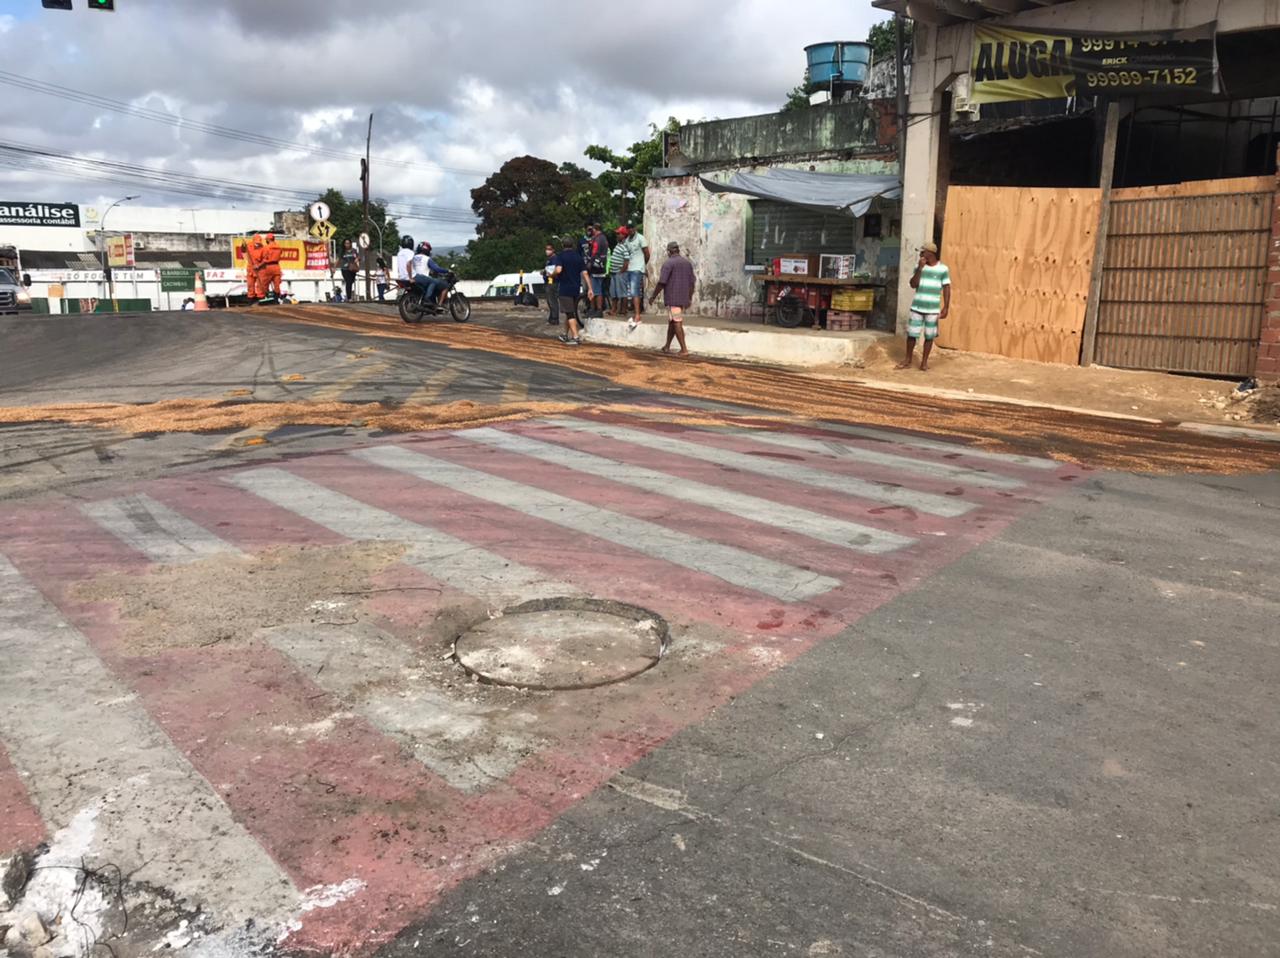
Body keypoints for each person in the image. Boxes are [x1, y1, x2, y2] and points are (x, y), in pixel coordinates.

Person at [898, 241, 951, 372]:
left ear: (930, 253)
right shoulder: (919, 266)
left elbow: (946, 288)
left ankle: (924, 362)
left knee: (929, 336)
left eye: (923, 252)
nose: (921, 254)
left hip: (932, 309)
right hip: (917, 307)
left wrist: (946, 307)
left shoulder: (943, 269)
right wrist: (920, 269)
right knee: (912, 334)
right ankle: (908, 359)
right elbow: (913, 284)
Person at [649, 241, 696, 357]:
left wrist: (653, 296)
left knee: (677, 322)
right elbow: (692, 282)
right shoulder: (687, 263)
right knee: (672, 321)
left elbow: (662, 282)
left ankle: (684, 349)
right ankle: (667, 346)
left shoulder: (668, 263)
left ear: (669, 251)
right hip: (683, 297)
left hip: (673, 297)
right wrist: (689, 297)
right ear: (678, 250)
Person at [549, 236, 592, 345]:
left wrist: (551, 274)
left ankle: (575, 336)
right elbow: (585, 273)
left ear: (562, 245)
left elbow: (558, 270)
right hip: (575, 288)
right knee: (570, 312)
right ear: (572, 245)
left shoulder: (561, 256)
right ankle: (565, 334)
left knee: (570, 314)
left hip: (565, 289)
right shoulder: (578, 257)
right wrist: (590, 288)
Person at [617, 224, 650, 324]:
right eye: (628, 228)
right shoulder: (627, 240)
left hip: (637, 268)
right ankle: (635, 313)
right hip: (630, 268)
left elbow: (647, 254)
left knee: (635, 291)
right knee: (631, 292)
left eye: (632, 228)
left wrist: (643, 265)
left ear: (635, 229)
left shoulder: (641, 238)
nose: (630, 230)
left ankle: (637, 315)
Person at [411, 241, 449, 310]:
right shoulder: (427, 258)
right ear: (427, 250)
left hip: (415, 278)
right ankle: (439, 305)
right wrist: (447, 271)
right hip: (424, 280)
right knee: (445, 285)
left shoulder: (414, 257)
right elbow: (436, 269)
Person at [585, 223, 609, 318]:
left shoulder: (597, 239)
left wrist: (589, 264)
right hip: (601, 267)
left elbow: (594, 253)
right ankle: (596, 309)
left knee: (595, 290)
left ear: (595, 229)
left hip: (595, 268)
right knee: (598, 289)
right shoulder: (604, 238)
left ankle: (596, 310)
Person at [257, 233, 284, 304]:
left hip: (268, 267)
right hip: (277, 267)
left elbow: (264, 259)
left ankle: (265, 299)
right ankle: (276, 300)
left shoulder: (266, 248)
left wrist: (258, 266)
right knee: (277, 285)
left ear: (268, 240)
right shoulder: (279, 247)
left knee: (264, 284)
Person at [542, 241, 560, 326]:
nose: (547, 251)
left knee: (552, 301)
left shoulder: (554, 259)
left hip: (552, 281)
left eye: (549, 249)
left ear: (553, 250)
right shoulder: (549, 259)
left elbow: (553, 270)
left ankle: (555, 318)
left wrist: (547, 273)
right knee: (550, 301)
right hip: (548, 281)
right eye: (546, 249)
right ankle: (551, 317)